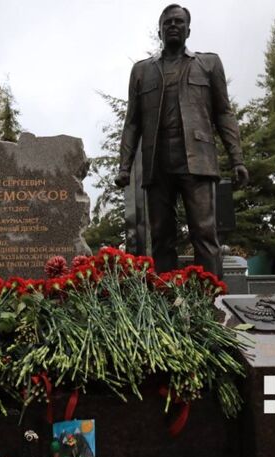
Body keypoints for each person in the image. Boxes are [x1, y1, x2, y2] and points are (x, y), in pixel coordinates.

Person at [114, 4, 248, 276]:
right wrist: (124, 167)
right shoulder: (142, 71)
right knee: (161, 237)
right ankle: (166, 298)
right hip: (157, 163)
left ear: (188, 30)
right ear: (159, 31)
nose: (173, 26)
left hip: (197, 162)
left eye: (179, 22)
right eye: (168, 22)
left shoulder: (208, 64)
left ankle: (211, 296)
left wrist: (237, 160)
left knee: (204, 233)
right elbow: (132, 122)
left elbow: (224, 113)